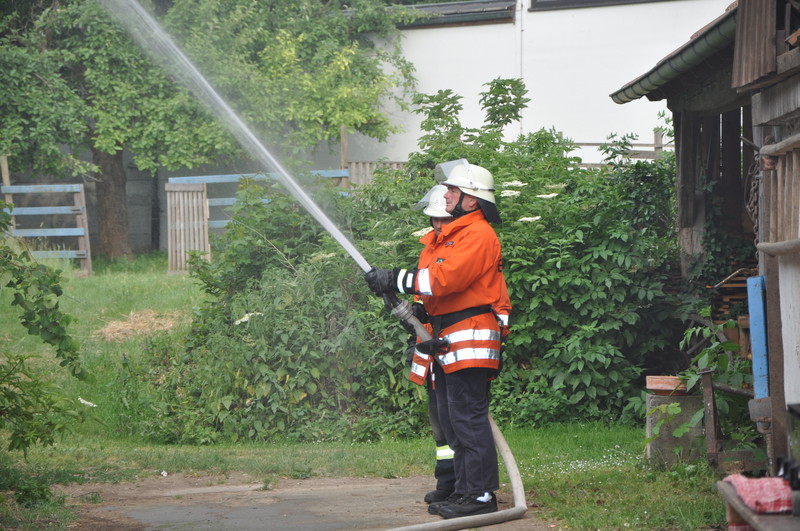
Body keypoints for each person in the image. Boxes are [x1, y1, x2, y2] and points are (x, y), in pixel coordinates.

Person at [365, 160, 510, 519]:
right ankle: (464, 491)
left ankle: (480, 497)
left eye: (453, 190)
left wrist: (394, 278)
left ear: (472, 199)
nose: (445, 195)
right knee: (452, 420)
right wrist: (416, 310)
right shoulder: (457, 235)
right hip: (449, 339)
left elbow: (444, 280)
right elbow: (435, 290)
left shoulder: (478, 235)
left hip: (469, 337)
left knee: (467, 420)